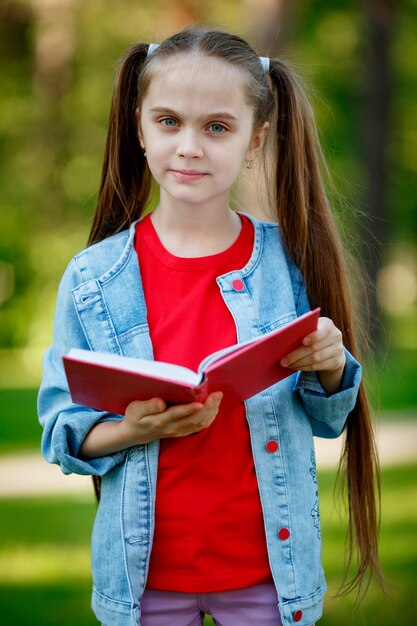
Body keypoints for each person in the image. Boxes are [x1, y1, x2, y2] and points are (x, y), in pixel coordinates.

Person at [38, 27, 383, 626]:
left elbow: (330, 419)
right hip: (144, 584)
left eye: (217, 127)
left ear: (256, 140)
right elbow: (62, 431)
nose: (190, 147)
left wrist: (331, 365)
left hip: (268, 578)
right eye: (168, 121)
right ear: (139, 128)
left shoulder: (289, 263)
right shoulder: (93, 277)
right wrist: (131, 430)